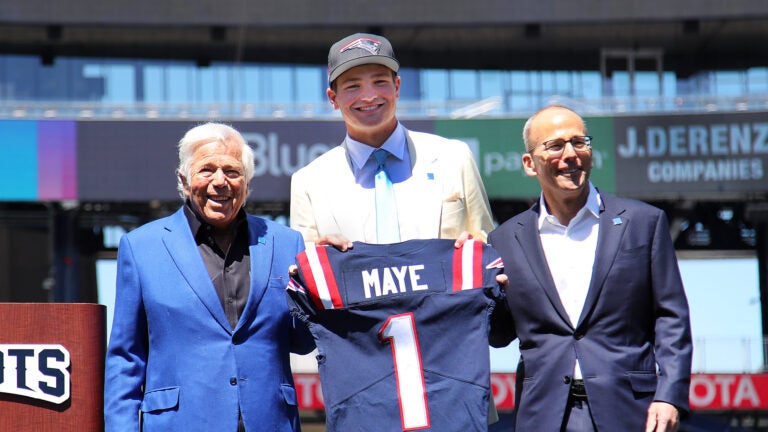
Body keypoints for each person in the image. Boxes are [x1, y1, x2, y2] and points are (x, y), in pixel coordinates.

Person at [488, 105, 692, 432]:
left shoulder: (643, 223)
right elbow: (500, 335)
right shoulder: (503, 240)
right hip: (543, 417)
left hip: (631, 413)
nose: (571, 154)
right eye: (555, 145)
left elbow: (671, 317)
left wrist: (669, 395)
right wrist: (484, 290)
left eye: (579, 142)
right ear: (529, 164)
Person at [104, 122, 315, 432]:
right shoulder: (140, 247)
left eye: (232, 171)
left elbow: (304, 341)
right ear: (185, 180)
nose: (220, 182)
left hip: (270, 422)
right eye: (207, 170)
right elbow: (126, 356)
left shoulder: (286, 243)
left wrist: (325, 277)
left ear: (247, 182)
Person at [290, 32, 494, 248]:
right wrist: (319, 257)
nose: (369, 96)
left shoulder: (453, 157)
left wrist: (478, 249)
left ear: (397, 87)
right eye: (353, 86)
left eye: (379, 81)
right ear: (333, 98)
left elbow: (488, 249)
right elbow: (303, 269)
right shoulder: (309, 182)